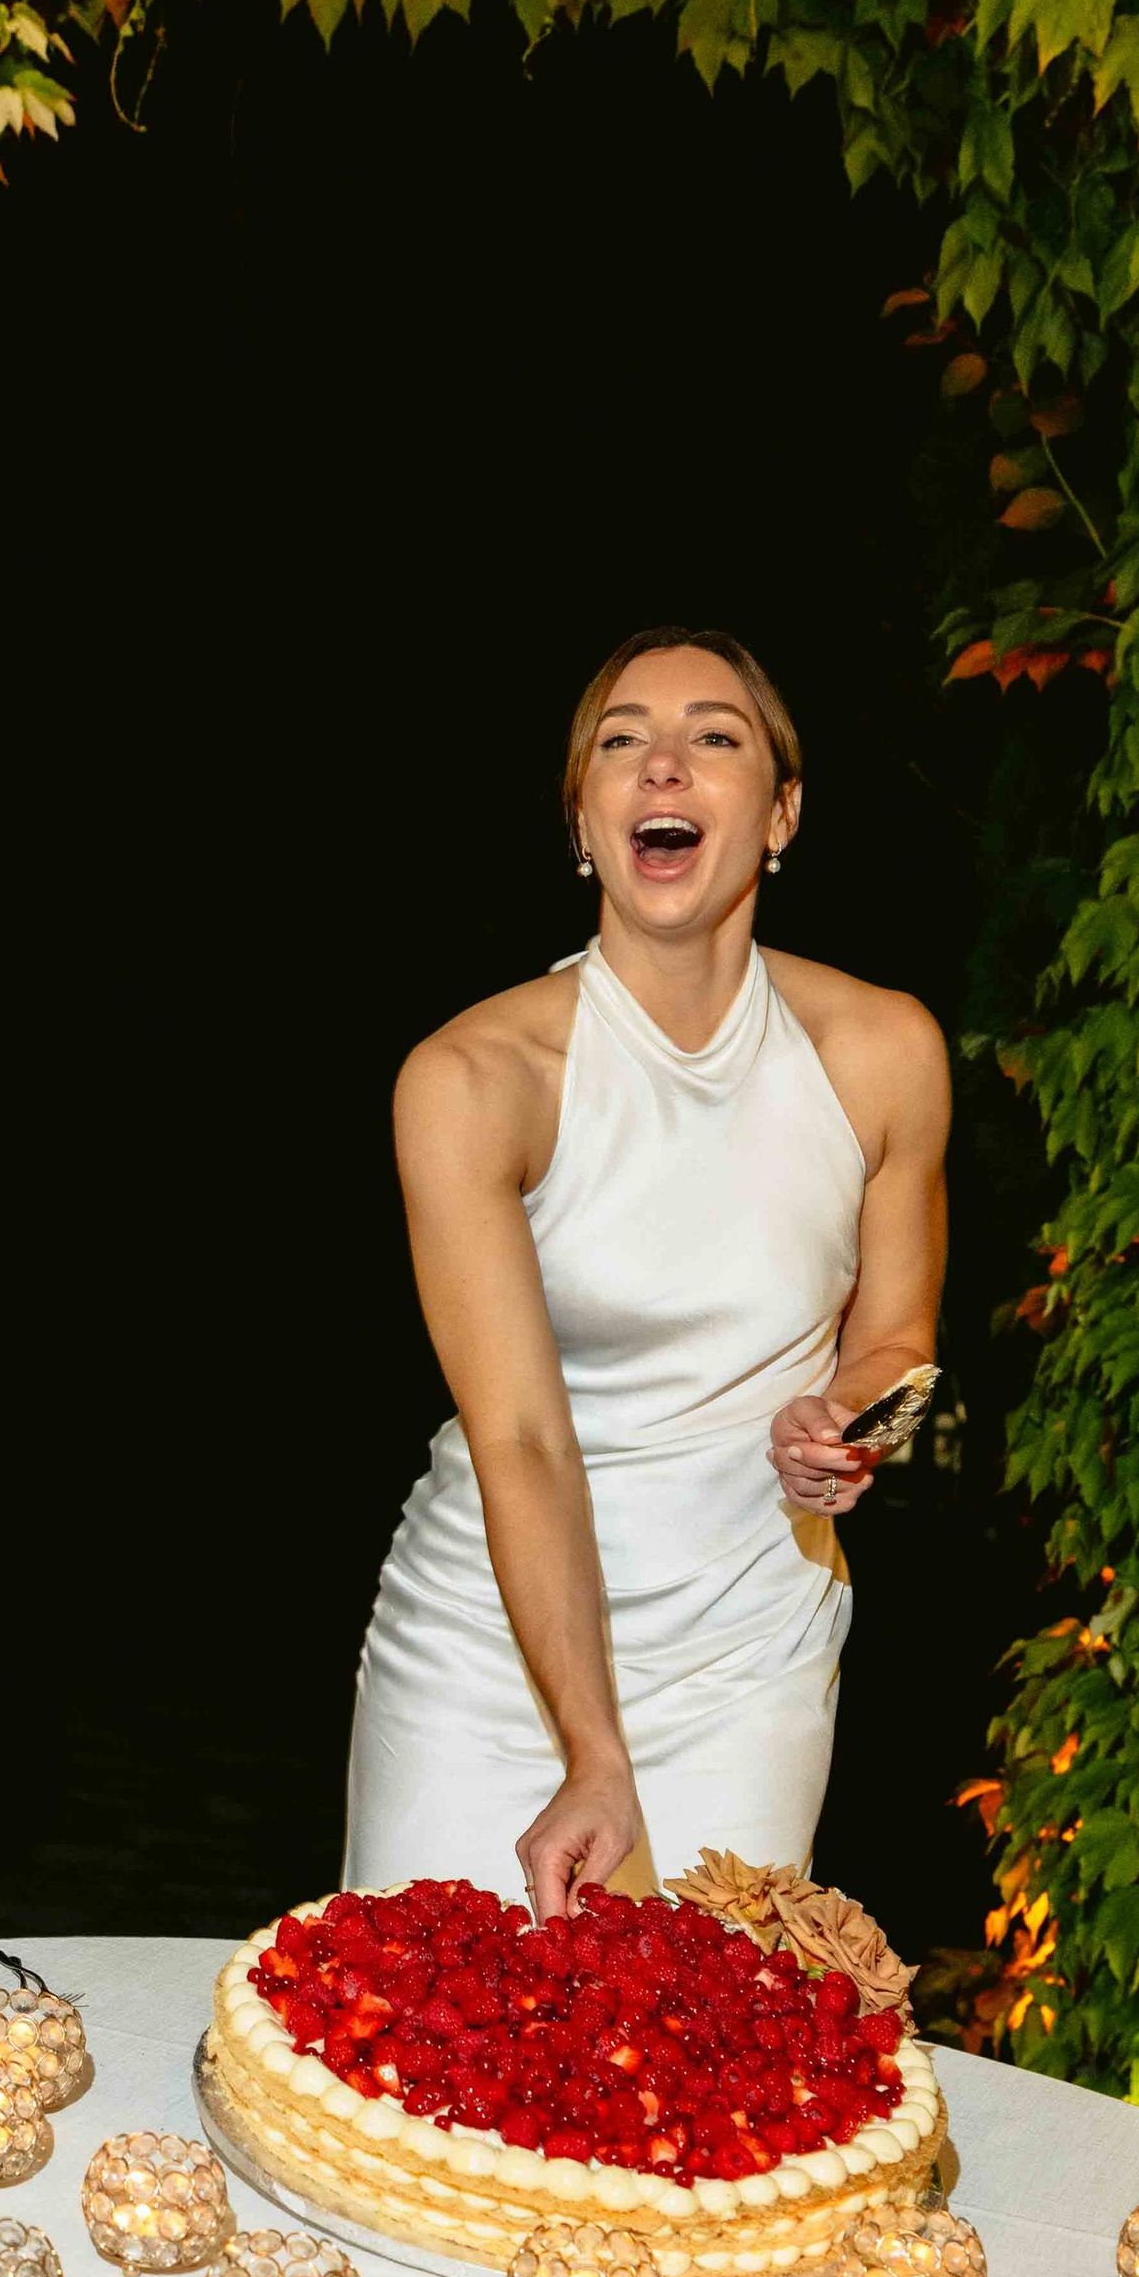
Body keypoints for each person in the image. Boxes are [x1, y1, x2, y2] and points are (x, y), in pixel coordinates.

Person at [345, 624, 946, 1921]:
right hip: (491, 1648)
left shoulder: (884, 1050)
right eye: (623, 742)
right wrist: (593, 1750)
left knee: (688, 2085)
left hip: (749, 1649)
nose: (662, 766)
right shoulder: (472, 1079)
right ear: (583, 823)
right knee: (420, 2074)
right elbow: (520, 1437)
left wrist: (849, 1422)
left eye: (713, 739)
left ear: (782, 815)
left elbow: (900, 1337)